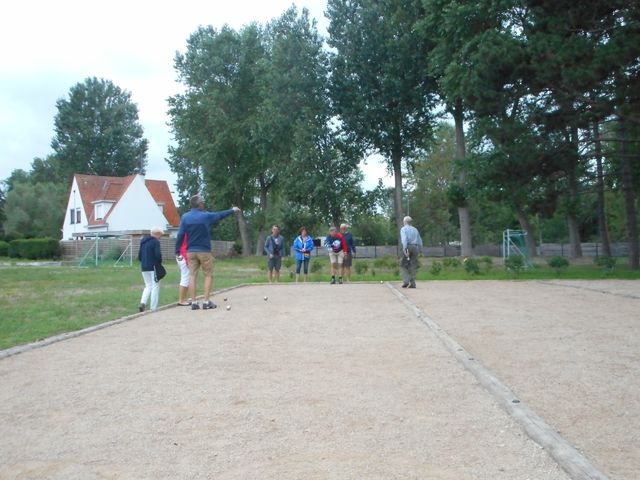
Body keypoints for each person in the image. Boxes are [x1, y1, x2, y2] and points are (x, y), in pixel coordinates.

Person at [175, 194, 240, 310]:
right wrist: (232, 210)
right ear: (199, 204)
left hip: (191, 251)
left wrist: (177, 250)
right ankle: (206, 302)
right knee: (208, 275)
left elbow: (180, 235)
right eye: (202, 202)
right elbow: (220, 215)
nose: (203, 204)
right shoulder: (206, 216)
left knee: (192, 275)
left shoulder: (185, 217)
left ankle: (194, 302)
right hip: (204, 251)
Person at [138, 226, 164, 312]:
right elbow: (158, 255)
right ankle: (153, 308)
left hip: (144, 267)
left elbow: (139, 256)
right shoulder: (155, 242)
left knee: (148, 286)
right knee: (155, 286)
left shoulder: (143, 242)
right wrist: (159, 262)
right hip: (154, 267)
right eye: (160, 235)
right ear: (156, 234)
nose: (161, 237)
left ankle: (143, 303)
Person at [400, 216, 423, 288]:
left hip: (408, 247)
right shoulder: (415, 229)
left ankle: (406, 281)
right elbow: (420, 241)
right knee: (413, 265)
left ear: (405, 222)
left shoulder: (403, 229)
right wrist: (420, 250)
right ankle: (413, 283)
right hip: (415, 247)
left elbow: (404, 240)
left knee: (403, 264)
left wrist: (405, 249)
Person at [176, 233, 190, 306]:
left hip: (180, 255)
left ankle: (184, 299)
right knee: (185, 278)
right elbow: (185, 247)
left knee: (186, 277)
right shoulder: (187, 233)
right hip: (183, 255)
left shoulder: (182, 232)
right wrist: (188, 260)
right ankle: (181, 300)